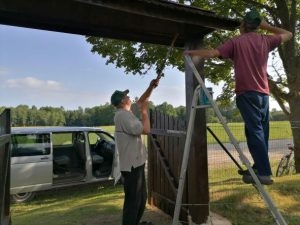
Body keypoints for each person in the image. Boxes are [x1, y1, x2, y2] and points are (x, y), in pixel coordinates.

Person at [184, 9, 293, 185]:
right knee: (260, 132)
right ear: (257, 26)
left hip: (246, 93)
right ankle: (259, 167)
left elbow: (213, 53)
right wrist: (267, 26)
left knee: (255, 132)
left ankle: (264, 172)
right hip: (264, 94)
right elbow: (288, 34)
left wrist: (191, 53)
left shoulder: (236, 41)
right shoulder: (266, 40)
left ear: (243, 25)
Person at [111, 78, 159, 225]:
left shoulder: (126, 113)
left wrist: (151, 87)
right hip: (131, 166)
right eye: (126, 96)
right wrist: (145, 112)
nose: (128, 97)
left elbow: (141, 100)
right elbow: (146, 130)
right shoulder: (123, 115)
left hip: (135, 163)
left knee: (141, 198)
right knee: (133, 201)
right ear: (121, 102)